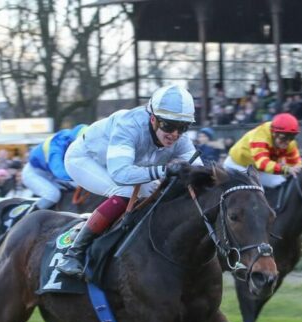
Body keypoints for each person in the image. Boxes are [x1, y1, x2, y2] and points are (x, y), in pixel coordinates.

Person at [57, 84, 200, 277]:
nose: (174, 134)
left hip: (127, 164)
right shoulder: (129, 124)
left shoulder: (179, 138)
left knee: (154, 194)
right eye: (169, 126)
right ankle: (74, 253)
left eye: (182, 127)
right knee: (124, 191)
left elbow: (198, 170)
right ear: (153, 119)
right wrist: (165, 170)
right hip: (85, 159)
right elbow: (121, 174)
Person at [224, 112, 302, 190]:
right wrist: (285, 169)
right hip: (237, 166)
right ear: (274, 133)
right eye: (283, 137)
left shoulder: (290, 143)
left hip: (257, 169)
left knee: (283, 185)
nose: (288, 141)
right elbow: (262, 164)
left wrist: (297, 169)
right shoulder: (260, 137)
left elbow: (296, 164)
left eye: (291, 137)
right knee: (258, 192)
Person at [22, 124, 86, 209]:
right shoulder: (56, 147)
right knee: (52, 195)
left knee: (77, 187)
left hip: (51, 174)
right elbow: (59, 171)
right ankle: (28, 218)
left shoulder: (72, 141)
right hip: (34, 173)